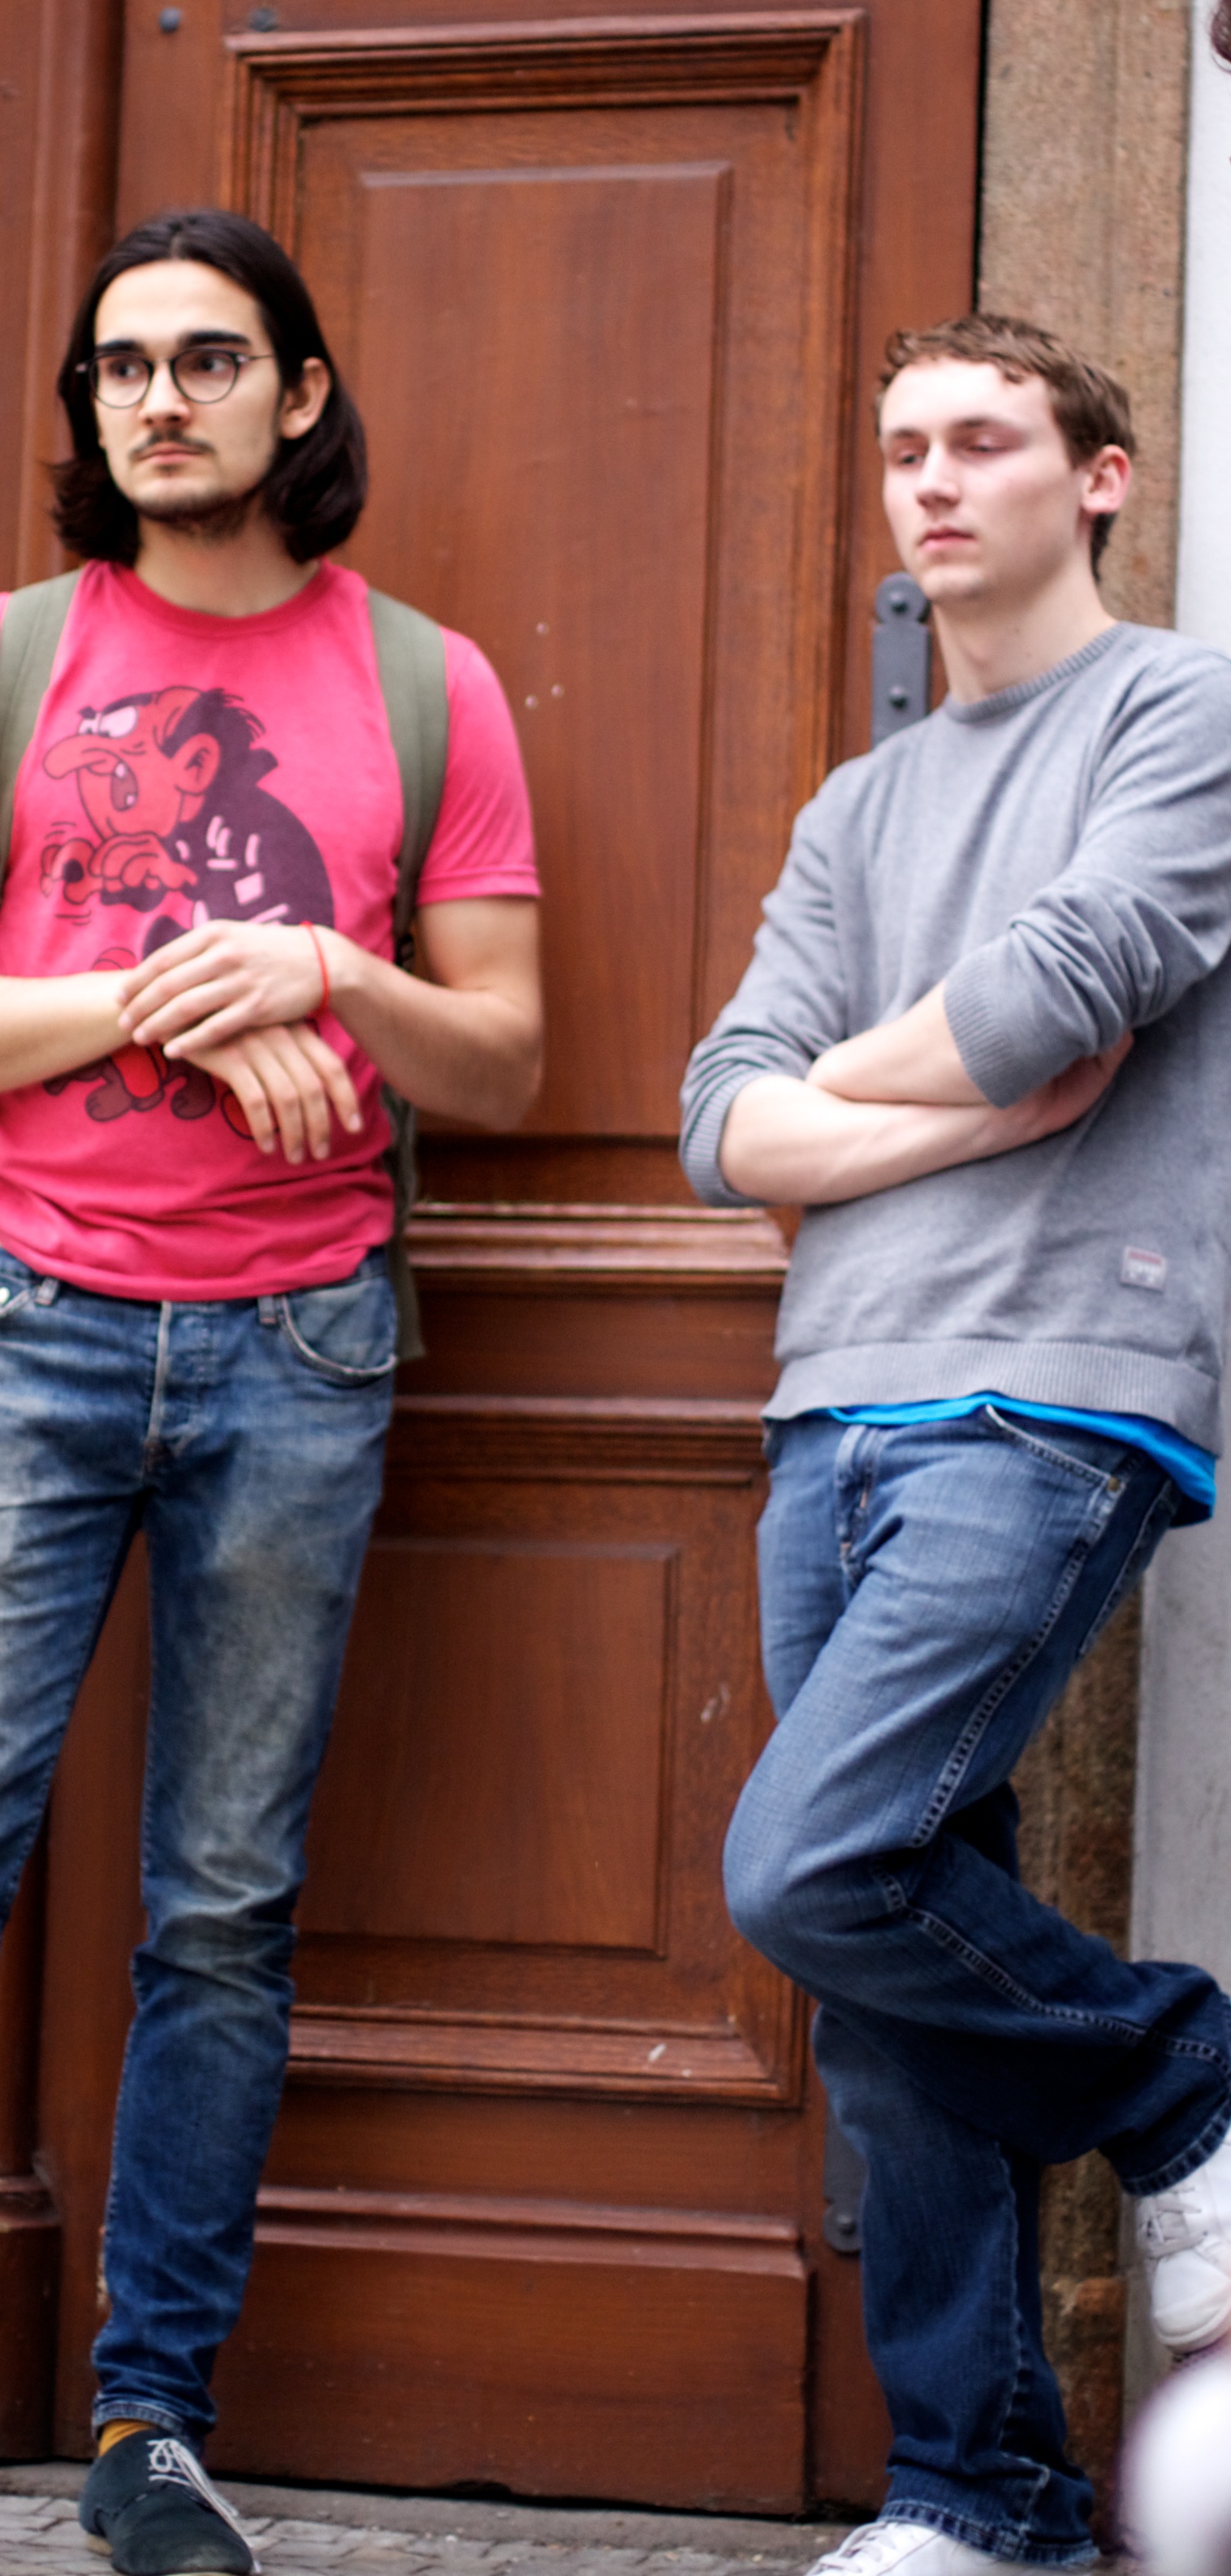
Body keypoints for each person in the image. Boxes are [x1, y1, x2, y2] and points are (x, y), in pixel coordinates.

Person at [0, 207, 542, 2576]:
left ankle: (155, 2430)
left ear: (299, 396)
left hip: (303, 1348)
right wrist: (174, 998)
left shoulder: (428, 687)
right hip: (26, 1326)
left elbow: (504, 1057)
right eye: (123, 366)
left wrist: (324, 971)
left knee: (222, 1911)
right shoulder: (5, 660)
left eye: (210, 359)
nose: (159, 398)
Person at [680, 313, 1231, 2576]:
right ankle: (978, 2495)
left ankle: (1177, 2074)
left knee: (809, 1867)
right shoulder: (856, 805)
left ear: (1096, 476)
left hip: (1051, 1388)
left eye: (983, 439)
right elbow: (721, 1117)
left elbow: (1069, 980)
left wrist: (852, 1096)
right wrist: (960, 1111)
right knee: (883, 1974)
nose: (931, 480)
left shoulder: (1177, 710)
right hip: (830, 1407)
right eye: (903, 444)